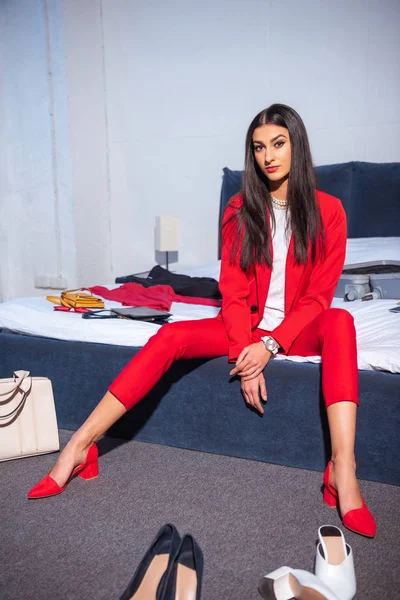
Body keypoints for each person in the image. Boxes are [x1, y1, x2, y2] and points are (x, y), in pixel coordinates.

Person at [28, 104, 376, 538]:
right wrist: (243, 351)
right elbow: (232, 291)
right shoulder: (239, 208)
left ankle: (343, 468)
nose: (269, 155)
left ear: (296, 146)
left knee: (341, 321)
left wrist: (267, 348)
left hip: (297, 329)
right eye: (259, 147)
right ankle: (79, 447)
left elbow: (318, 297)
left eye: (279, 143)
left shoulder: (331, 212)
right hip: (244, 325)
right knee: (170, 335)